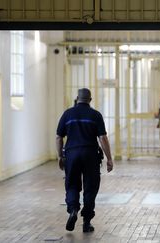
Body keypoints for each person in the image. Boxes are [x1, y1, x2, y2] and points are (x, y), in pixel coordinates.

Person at [56, 88, 113, 233]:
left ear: (77, 98)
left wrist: (59, 156)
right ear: (90, 100)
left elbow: (58, 137)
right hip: (90, 155)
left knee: (72, 185)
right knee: (90, 187)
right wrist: (109, 158)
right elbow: (102, 138)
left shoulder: (67, 114)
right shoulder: (95, 115)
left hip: (72, 154)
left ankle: (73, 209)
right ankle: (86, 222)